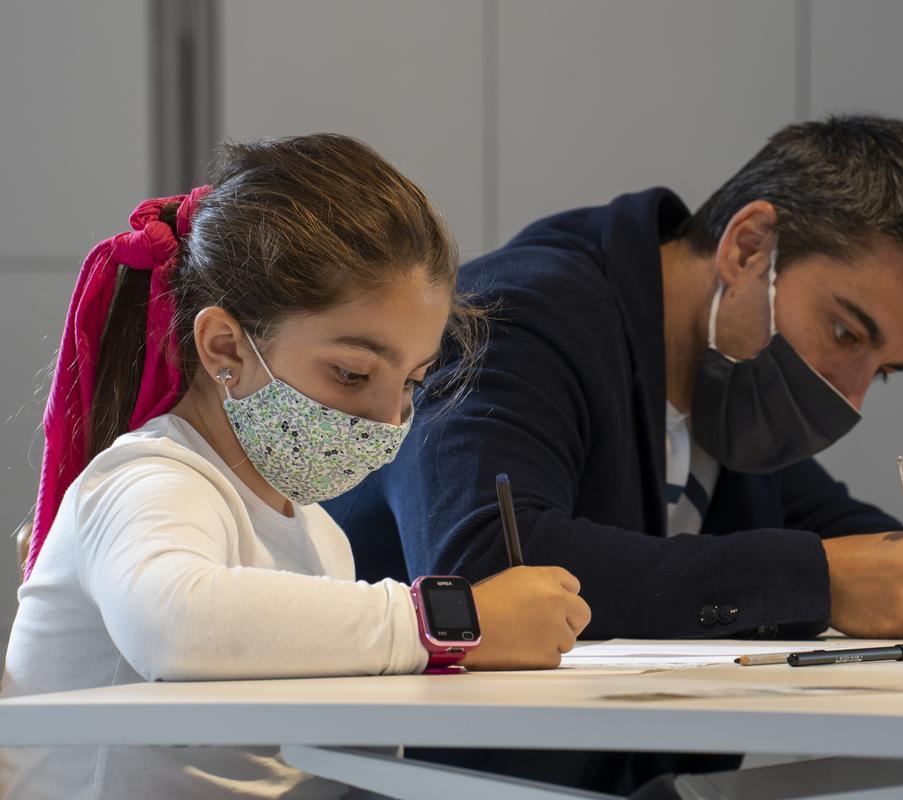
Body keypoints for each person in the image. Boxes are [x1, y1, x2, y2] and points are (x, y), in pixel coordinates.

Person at [326, 115, 903, 792]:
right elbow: (484, 562)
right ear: (747, 245)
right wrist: (822, 580)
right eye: (844, 333)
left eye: (884, 371)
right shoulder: (522, 319)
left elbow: (819, 514)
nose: (852, 396)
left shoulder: (718, 388)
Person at [0, 134, 590, 799]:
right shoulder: (148, 478)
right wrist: (455, 622)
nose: (386, 417)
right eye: (352, 373)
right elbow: (177, 625)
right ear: (226, 347)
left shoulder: (321, 538)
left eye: (411, 384)